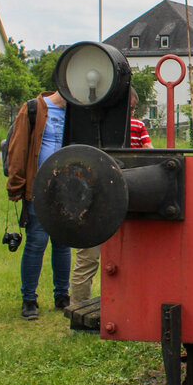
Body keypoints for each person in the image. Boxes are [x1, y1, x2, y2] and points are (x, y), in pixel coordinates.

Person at [69, 88, 152, 306]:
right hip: (119, 192)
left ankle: (79, 306)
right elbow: (149, 152)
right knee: (122, 255)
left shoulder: (84, 127)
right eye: (131, 107)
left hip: (92, 195)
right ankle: (128, 305)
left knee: (86, 258)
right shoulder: (137, 126)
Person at [5, 90, 71, 319]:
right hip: (38, 187)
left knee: (63, 242)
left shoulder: (75, 112)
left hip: (66, 189)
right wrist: (16, 184)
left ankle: (63, 295)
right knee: (37, 241)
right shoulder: (34, 108)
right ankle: (29, 300)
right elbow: (18, 147)